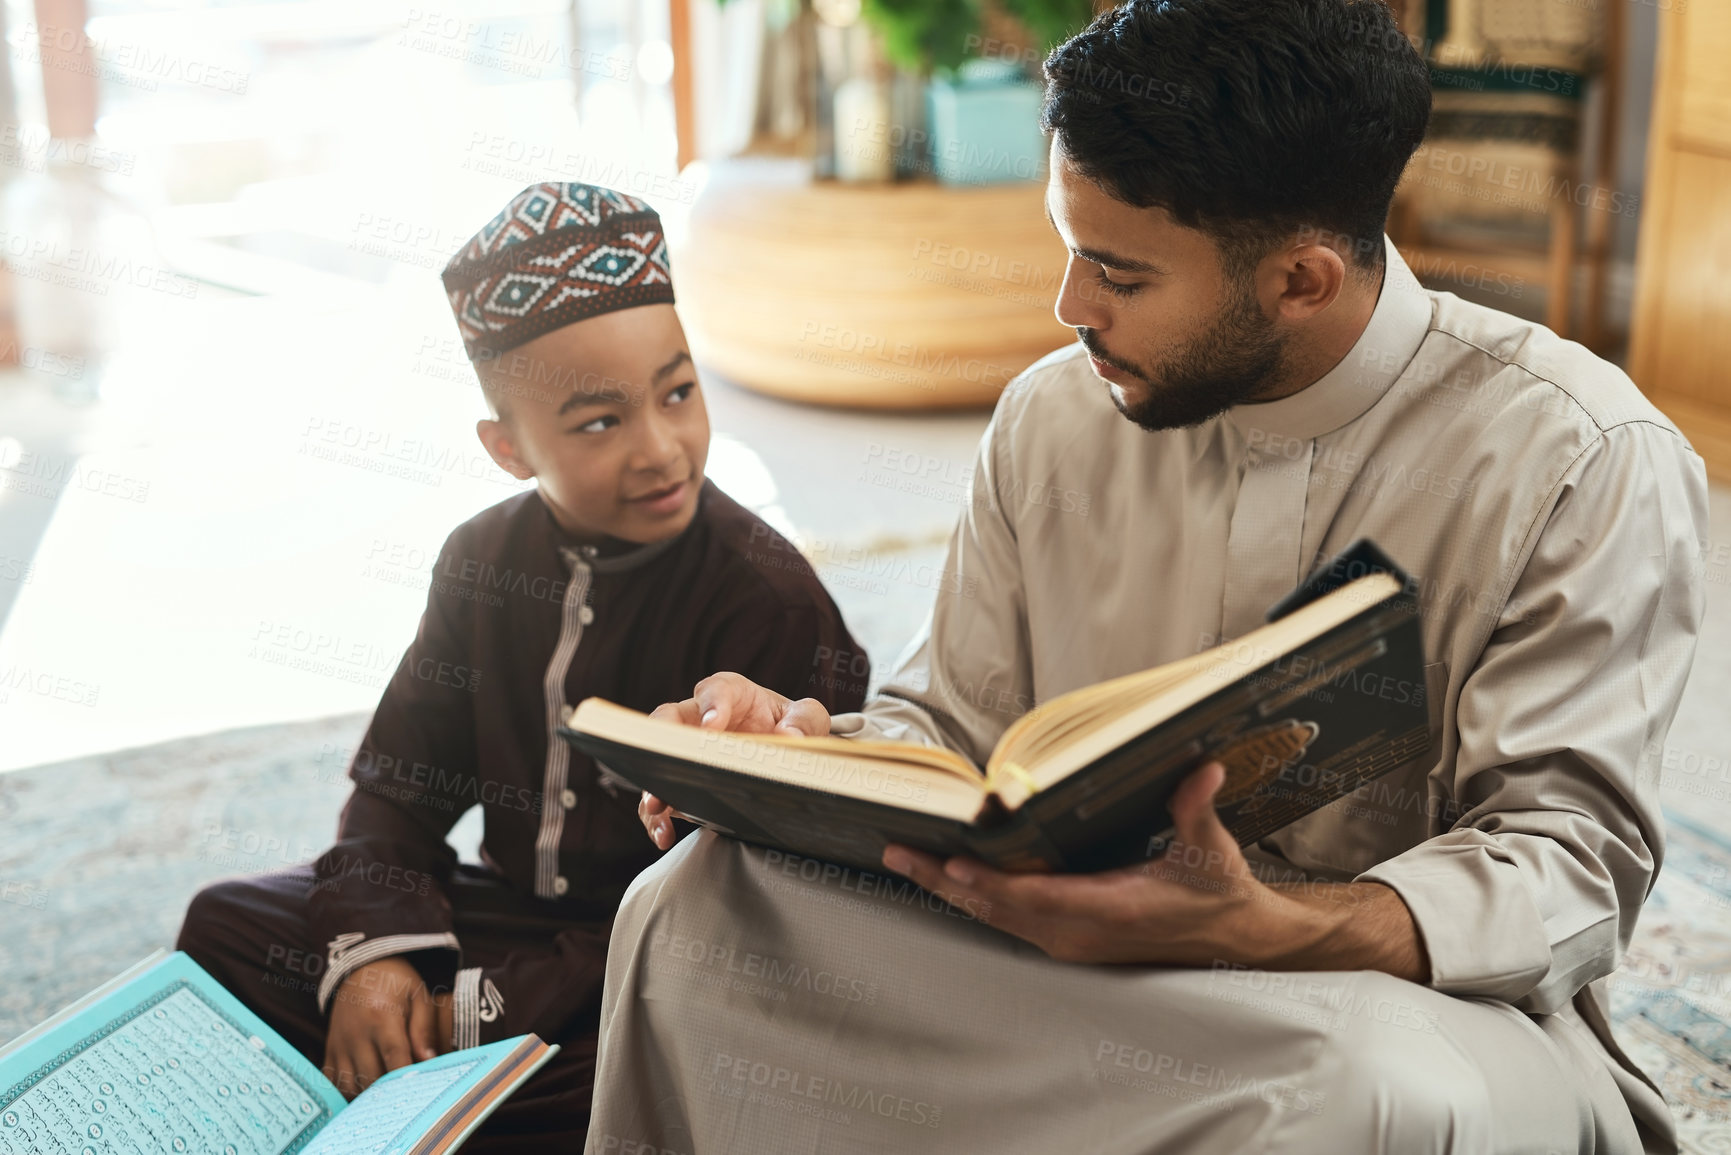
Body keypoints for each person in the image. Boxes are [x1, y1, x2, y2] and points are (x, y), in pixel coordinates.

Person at [598, 3, 1706, 1152]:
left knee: (1370, 1096)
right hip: (1052, 951)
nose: (1070, 309)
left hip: (1379, 1008)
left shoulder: (1582, 461)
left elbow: (1565, 871)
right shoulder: (1052, 417)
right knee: (696, 906)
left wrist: (1262, 924)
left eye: (1119, 274)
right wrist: (795, 758)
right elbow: (955, 736)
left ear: (1301, 281)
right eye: (1068, 249)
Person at [175, 183, 868, 1152]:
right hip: (504, 922)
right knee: (225, 928)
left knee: (686, 1063)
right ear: (506, 449)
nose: (662, 448)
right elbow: (397, 791)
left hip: (663, 959)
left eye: (679, 392)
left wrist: (467, 1012)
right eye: (598, 423)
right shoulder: (478, 562)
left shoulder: (766, 596)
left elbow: (743, 904)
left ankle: (423, 1076)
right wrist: (378, 965)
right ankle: (419, 1066)